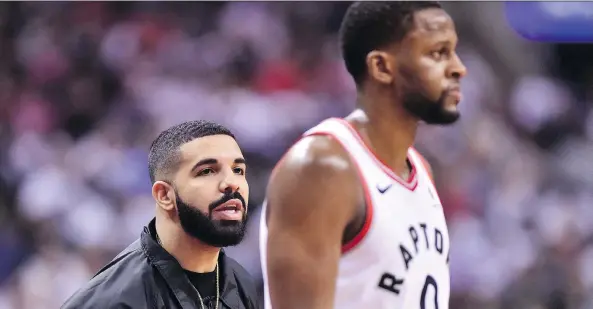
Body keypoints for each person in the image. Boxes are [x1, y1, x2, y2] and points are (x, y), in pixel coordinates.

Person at [260, 2, 467, 309]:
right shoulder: (322, 169)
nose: (458, 67)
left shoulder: (420, 169)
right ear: (382, 67)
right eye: (438, 53)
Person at [63, 120, 261, 309]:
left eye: (238, 170)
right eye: (208, 171)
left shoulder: (239, 279)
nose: (232, 182)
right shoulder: (111, 300)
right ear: (164, 195)